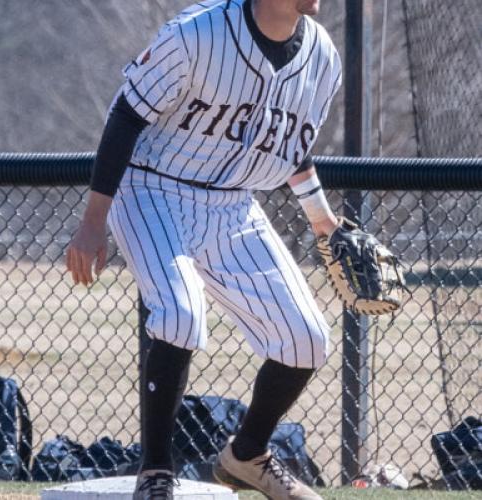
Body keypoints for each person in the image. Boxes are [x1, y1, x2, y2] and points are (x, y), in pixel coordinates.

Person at [66, 0, 342, 498]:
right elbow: (127, 113)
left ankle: (247, 455)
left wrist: (320, 217)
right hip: (151, 188)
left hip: (234, 204)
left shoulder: (322, 56)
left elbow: (285, 141)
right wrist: (93, 222)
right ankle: (156, 471)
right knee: (179, 314)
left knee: (307, 338)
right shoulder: (198, 33)